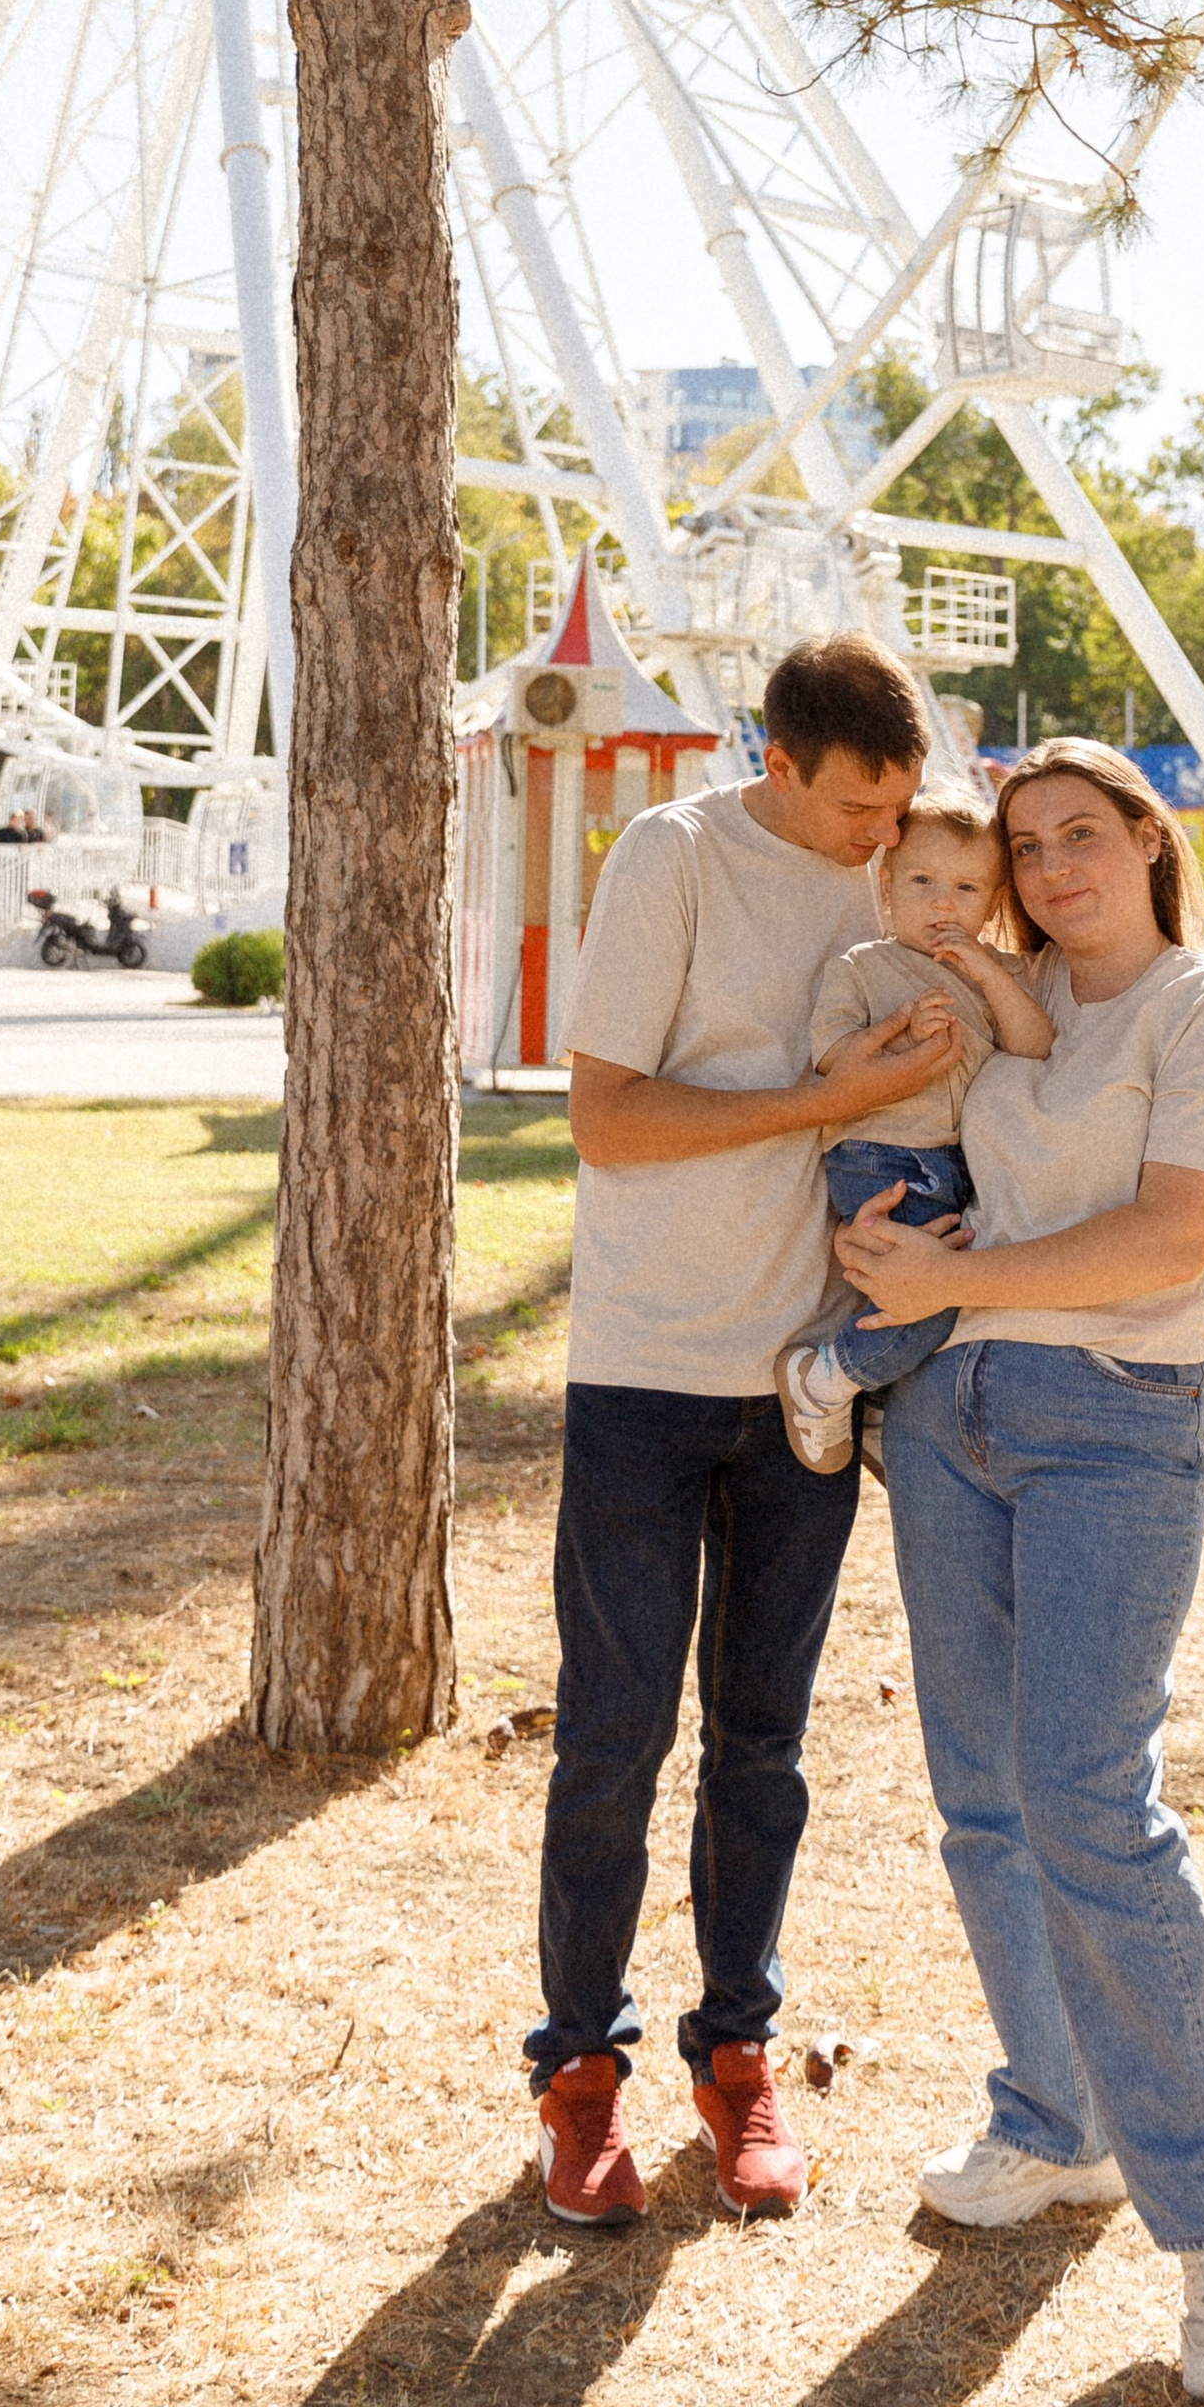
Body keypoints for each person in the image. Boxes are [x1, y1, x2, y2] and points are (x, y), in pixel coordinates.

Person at [833, 737, 1204, 2400]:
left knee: (1090, 1801)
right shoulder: (1012, 1007)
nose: (1048, 868)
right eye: (1026, 843)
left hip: (1111, 1416)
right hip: (954, 1414)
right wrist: (898, 1258)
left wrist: (956, 1289)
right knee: (983, 1795)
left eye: (1079, 835)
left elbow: (1179, 1233)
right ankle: (1058, 2123)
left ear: (1145, 843)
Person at [531, 632, 954, 2233]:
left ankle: (739, 2055)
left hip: (809, 1384)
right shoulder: (674, 856)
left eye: (900, 809)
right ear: (776, 763)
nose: (883, 841)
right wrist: (817, 1102)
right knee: (611, 1745)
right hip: (646, 1371)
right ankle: (580, 2079)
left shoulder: (898, 879)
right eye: (859, 809)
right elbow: (609, 1117)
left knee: (762, 1748)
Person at [773, 793, 1052, 1478]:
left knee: (959, 1291)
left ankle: (874, 1402)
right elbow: (833, 1057)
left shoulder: (1000, 976)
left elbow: (1036, 1045)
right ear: (887, 887)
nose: (942, 905)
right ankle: (826, 1379)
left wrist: (986, 971)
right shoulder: (863, 966)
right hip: (884, 1158)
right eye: (922, 883)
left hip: (960, 1164)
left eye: (965, 889)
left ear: (991, 905)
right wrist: (897, 1036)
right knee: (933, 1296)